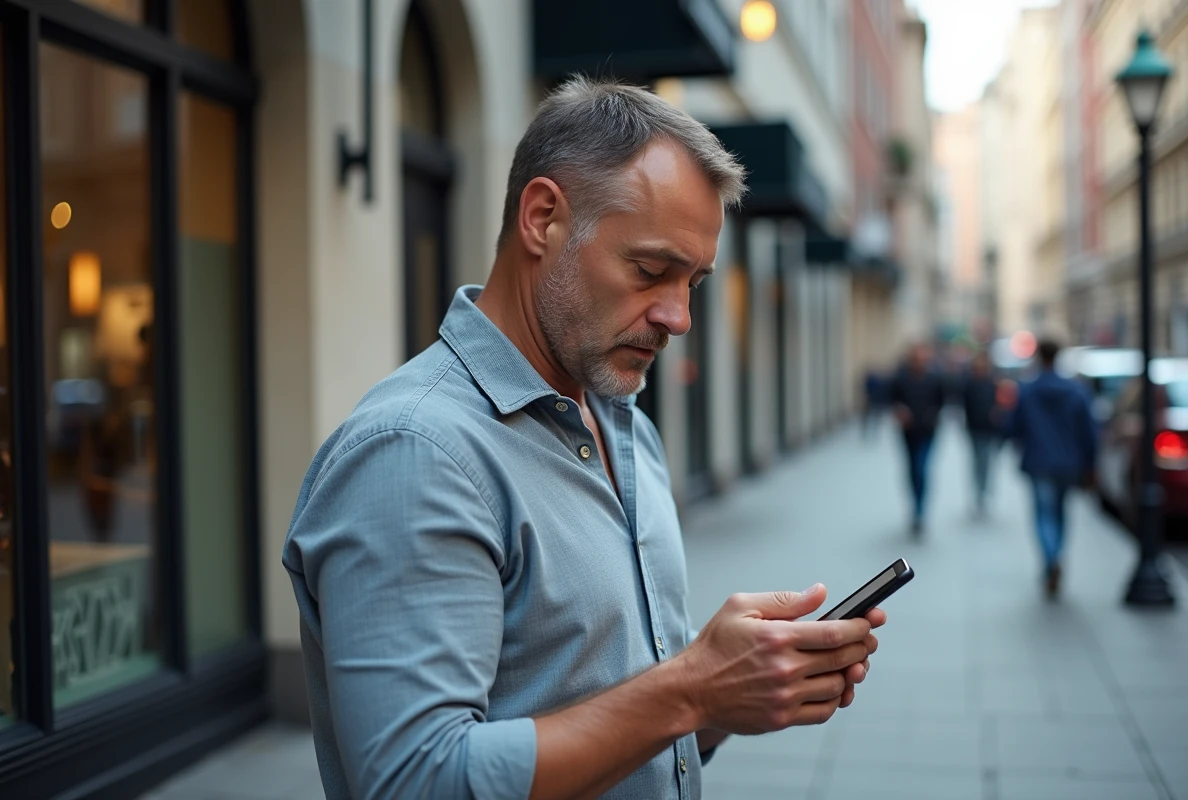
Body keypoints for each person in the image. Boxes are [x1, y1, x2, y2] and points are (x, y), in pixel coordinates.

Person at [282, 78, 885, 800]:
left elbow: (613, 711)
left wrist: (726, 699)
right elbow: (417, 781)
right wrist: (691, 689)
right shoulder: (416, 453)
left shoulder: (627, 428)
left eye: (693, 282)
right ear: (543, 219)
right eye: (651, 270)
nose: (678, 317)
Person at [1006, 339, 1098, 598]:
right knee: (1060, 513)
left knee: (1043, 514)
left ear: (1038, 356)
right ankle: (1056, 556)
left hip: (1038, 461)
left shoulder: (1027, 389)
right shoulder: (1076, 389)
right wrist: (1091, 463)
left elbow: (1013, 426)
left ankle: (1051, 559)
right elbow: (1090, 431)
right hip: (1069, 463)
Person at [890, 343, 945, 534]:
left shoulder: (934, 379)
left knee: (922, 469)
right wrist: (900, 411)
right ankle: (914, 505)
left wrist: (934, 415)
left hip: (928, 432)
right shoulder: (901, 379)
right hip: (909, 432)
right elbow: (892, 400)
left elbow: (942, 402)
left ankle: (920, 510)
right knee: (912, 469)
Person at [962, 352, 1001, 516]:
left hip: (989, 428)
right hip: (974, 428)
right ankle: (979, 492)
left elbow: (1000, 404)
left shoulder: (993, 384)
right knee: (977, 461)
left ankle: (983, 492)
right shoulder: (969, 384)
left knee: (985, 461)